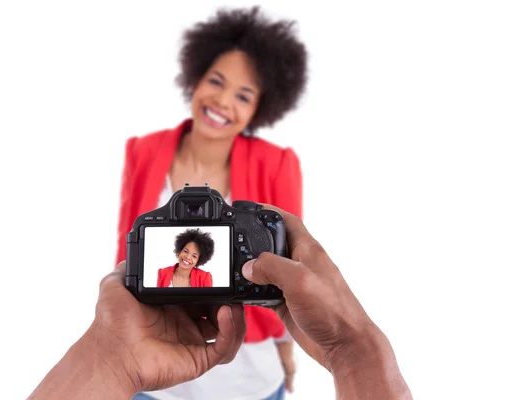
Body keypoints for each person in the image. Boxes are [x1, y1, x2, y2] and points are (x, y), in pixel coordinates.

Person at [115, 6, 307, 399]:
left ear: (260, 107)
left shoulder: (278, 163)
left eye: (243, 95)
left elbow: (290, 268)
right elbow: (126, 250)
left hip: (248, 377)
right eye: (215, 81)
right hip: (153, 373)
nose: (222, 102)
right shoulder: (143, 151)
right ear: (195, 77)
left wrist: (288, 350)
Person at [27, 205, 413, 400]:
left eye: (196, 256)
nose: (188, 260)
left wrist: (348, 351)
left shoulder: (207, 280)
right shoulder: (160, 275)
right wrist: (114, 358)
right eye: (184, 253)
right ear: (177, 251)